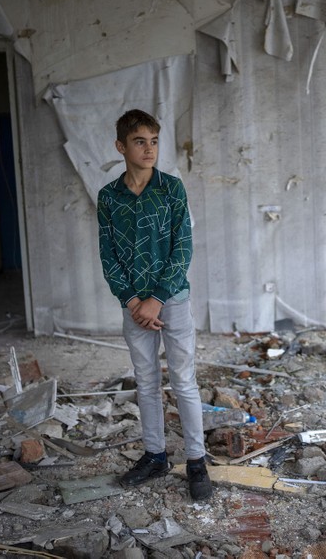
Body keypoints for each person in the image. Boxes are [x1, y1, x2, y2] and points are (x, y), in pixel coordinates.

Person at [97, 109, 212, 501]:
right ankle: (155, 456)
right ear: (121, 146)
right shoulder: (109, 197)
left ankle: (197, 462)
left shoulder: (171, 189)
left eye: (154, 141)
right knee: (146, 382)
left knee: (183, 381)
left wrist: (155, 299)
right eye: (139, 141)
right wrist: (132, 301)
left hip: (172, 300)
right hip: (134, 308)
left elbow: (183, 248)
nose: (149, 149)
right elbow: (107, 254)